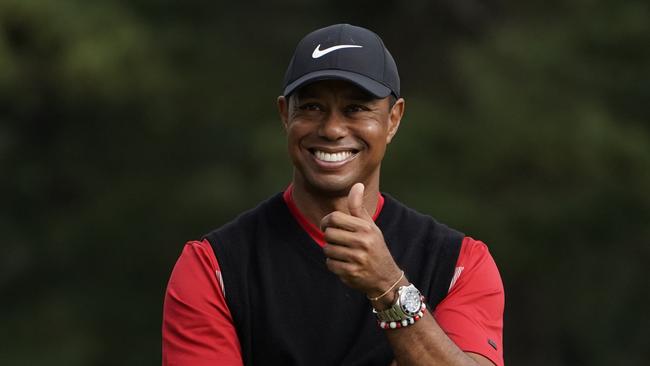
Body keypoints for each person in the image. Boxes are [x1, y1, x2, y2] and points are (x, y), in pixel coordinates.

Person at [162, 24, 504, 366]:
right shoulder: (214, 267)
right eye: (312, 107)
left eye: (356, 108)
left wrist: (389, 287)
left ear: (393, 119)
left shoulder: (459, 262)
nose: (332, 129)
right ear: (285, 114)